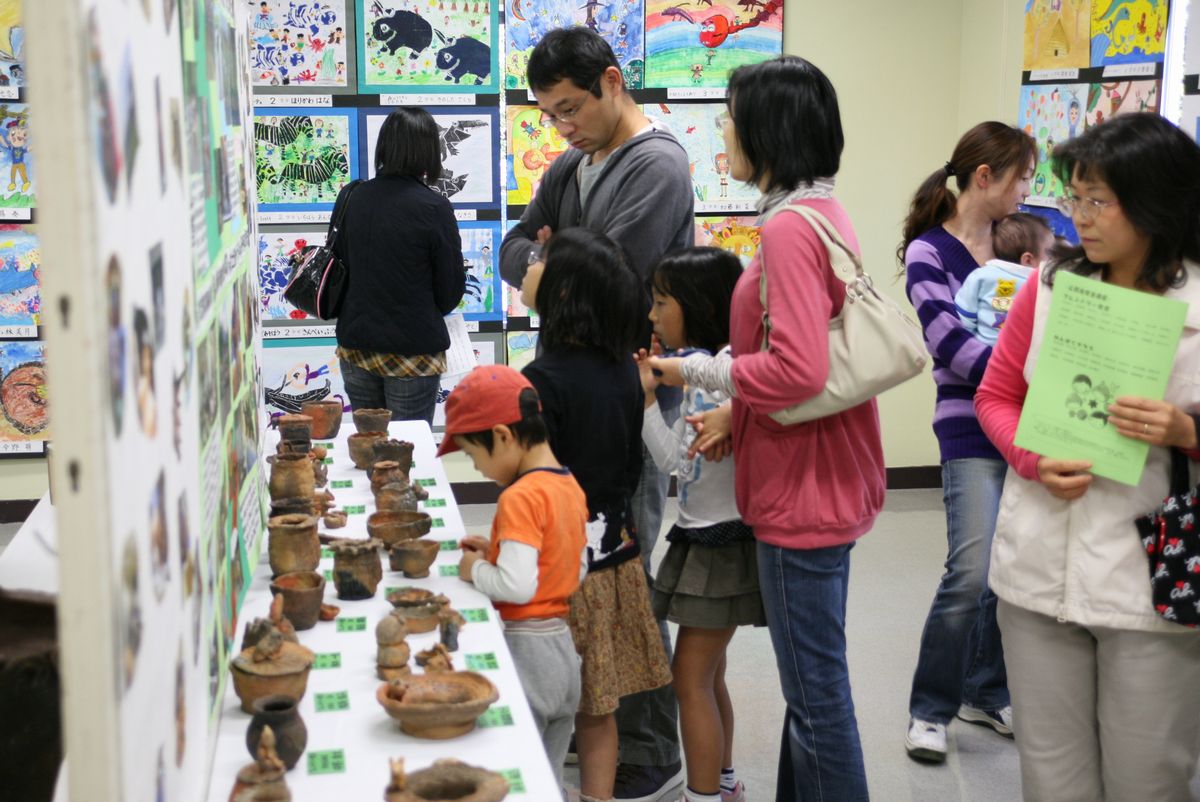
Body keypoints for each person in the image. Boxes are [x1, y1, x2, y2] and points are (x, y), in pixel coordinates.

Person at [651, 55, 884, 802]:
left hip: (800, 488)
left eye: (729, 116)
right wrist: (738, 409)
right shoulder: (824, 211)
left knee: (817, 699)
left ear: (767, 131)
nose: (722, 129)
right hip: (825, 470)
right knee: (811, 692)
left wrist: (699, 375)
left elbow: (797, 371)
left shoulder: (788, 229)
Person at [976, 112, 1200, 802]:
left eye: (1098, 200)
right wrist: (1030, 457)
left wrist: (1187, 431)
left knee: (1148, 779)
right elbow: (996, 396)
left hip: (1149, 586)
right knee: (1052, 780)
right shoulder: (1048, 289)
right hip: (1039, 568)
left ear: (1157, 201)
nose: (1081, 218)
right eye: (1075, 199)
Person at [499, 27, 692, 798]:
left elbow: (600, 281)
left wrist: (548, 266)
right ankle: (597, 718)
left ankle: (648, 747)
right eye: (549, 114)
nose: (562, 126)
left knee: (624, 572)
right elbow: (515, 247)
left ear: (613, 82)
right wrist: (547, 261)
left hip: (626, 395)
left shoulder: (659, 164)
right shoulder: (576, 162)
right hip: (576, 388)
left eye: (570, 108)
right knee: (575, 565)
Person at [898, 120, 1035, 763]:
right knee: (970, 569)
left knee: (1006, 574)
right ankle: (930, 710)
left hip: (1031, 429)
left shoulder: (1025, 242)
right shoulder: (930, 252)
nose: (1029, 189)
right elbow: (949, 347)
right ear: (986, 176)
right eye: (1023, 176)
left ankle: (985, 690)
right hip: (969, 428)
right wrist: (1024, 378)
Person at [523, 228, 672, 802]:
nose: (530, 269)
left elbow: (533, 484)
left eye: (542, 264)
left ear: (562, 295)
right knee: (599, 705)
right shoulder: (622, 374)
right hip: (614, 558)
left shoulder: (540, 382)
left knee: (547, 698)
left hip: (558, 569)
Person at [634, 248, 762, 802]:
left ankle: (705, 795)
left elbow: (676, 464)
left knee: (689, 680)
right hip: (712, 536)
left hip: (717, 546)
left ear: (698, 306)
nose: (652, 317)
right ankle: (725, 782)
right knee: (708, 677)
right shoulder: (718, 367)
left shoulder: (713, 379)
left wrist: (642, 405)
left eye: (662, 304)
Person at [439, 364, 588, 800]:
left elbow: (519, 587)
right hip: (563, 651)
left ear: (503, 435)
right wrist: (499, 552)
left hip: (529, 655)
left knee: (518, 777)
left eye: (473, 455)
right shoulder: (567, 484)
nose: (479, 468)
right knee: (548, 777)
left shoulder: (519, 496)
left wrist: (476, 570)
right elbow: (570, 567)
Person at [332, 107, 465, 426]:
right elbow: (449, 293)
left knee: (368, 449)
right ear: (430, 151)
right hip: (413, 353)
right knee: (407, 453)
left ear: (384, 147)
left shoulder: (353, 197)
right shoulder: (434, 207)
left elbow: (339, 268)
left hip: (356, 349)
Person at [955, 212, 1054, 346]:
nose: (1053, 261)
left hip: (980, 352)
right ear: (1028, 260)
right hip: (1020, 360)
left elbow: (963, 318)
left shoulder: (981, 275)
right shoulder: (1042, 286)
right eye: (1050, 254)